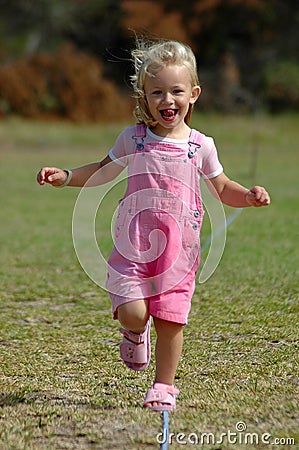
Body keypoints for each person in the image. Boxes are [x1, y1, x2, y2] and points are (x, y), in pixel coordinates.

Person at [37, 39, 270, 412]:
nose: (167, 100)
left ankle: (163, 386)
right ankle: (134, 330)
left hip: (179, 255)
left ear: (193, 94)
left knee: (171, 322)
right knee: (134, 311)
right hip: (133, 246)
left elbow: (222, 187)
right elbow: (101, 172)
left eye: (176, 91)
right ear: (144, 96)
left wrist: (249, 196)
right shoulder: (134, 139)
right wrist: (65, 176)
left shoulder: (200, 146)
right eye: (157, 92)